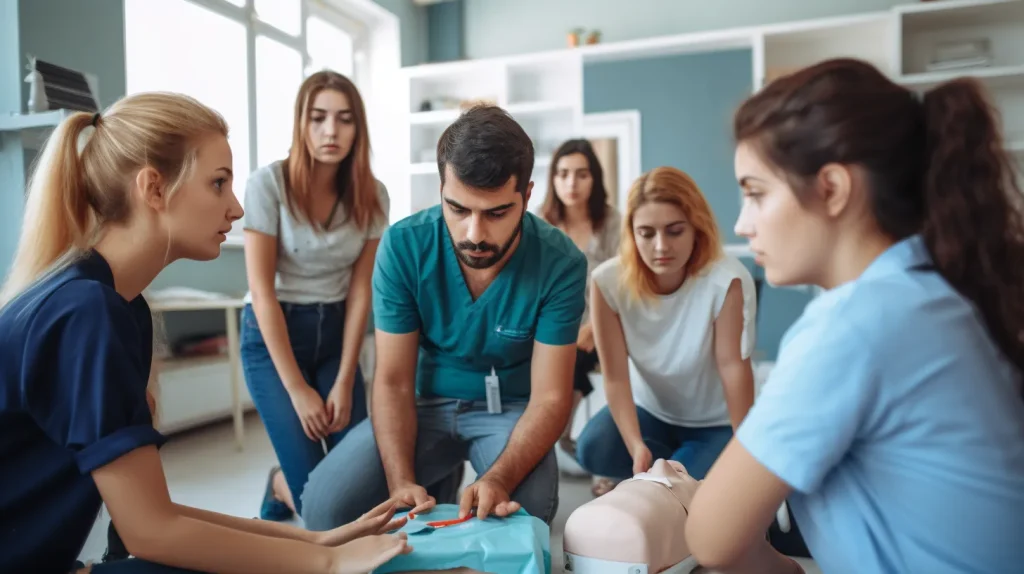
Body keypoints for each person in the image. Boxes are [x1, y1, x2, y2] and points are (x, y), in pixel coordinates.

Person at [0, 92, 410, 574]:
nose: (236, 209)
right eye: (218, 184)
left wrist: (316, 540)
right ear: (153, 188)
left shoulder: (117, 305)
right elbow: (150, 532)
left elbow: (157, 514)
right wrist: (325, 563)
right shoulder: (87, 313)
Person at [686, 58, 1024, 574]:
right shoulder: (931, 291)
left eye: (755, 193)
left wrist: (681, 493)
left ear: (833, 189)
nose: (742, 222)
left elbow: (710, 539)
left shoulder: (855, 322)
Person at [300, 104, 589, 531]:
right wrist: (400, 482)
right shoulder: (403, 246)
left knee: (525, 512)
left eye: (495, 213)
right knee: (325, 512)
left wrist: (499, 478)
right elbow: (393, 380)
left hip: (508, 409)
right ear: (441, 190)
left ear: (526, 197)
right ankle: (438, 472)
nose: (474, 234)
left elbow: (550, 398)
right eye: (458, 209)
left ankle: (462, 473)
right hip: (422, 403)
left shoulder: (561, 262)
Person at [241, 70, 389, 522]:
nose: (331, 131)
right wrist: (298, 390)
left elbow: (362, 290)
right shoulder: (268, 185)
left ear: (357, 129)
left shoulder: (374, 195)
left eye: (345, 119)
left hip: (336, 336)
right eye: (318, 117)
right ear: (301, 124)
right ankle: (283, 482)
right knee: (320, 508)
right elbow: (262, 293)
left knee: (362, 486)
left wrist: (346, 379)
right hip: (273, 339)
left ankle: (288, 479)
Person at [576, 166, 758, 496]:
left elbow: (733, 367)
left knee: (671, 493)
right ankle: (660, 472)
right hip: (653, 413)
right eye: (646, 233)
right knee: (592, 448)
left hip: (714, 423)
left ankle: (676, 477)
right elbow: (615, 377)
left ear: (696, 229)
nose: (661, 246)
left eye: (674, 231)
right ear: (632, 233)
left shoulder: (725, 280)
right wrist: (635, 446)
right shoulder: (607, 282)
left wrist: (745, 451)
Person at [537, 139, 622, 460]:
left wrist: (591, 329)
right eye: (563, 174)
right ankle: (556, 432)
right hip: (551, 324)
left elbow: (624, 286)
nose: (571, 183)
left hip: (604, 325)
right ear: (553, 179)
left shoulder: (613, 223)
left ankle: (558, 430)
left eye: (581, 174)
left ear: (595, 179)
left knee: (571, 355)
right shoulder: (539, 223)